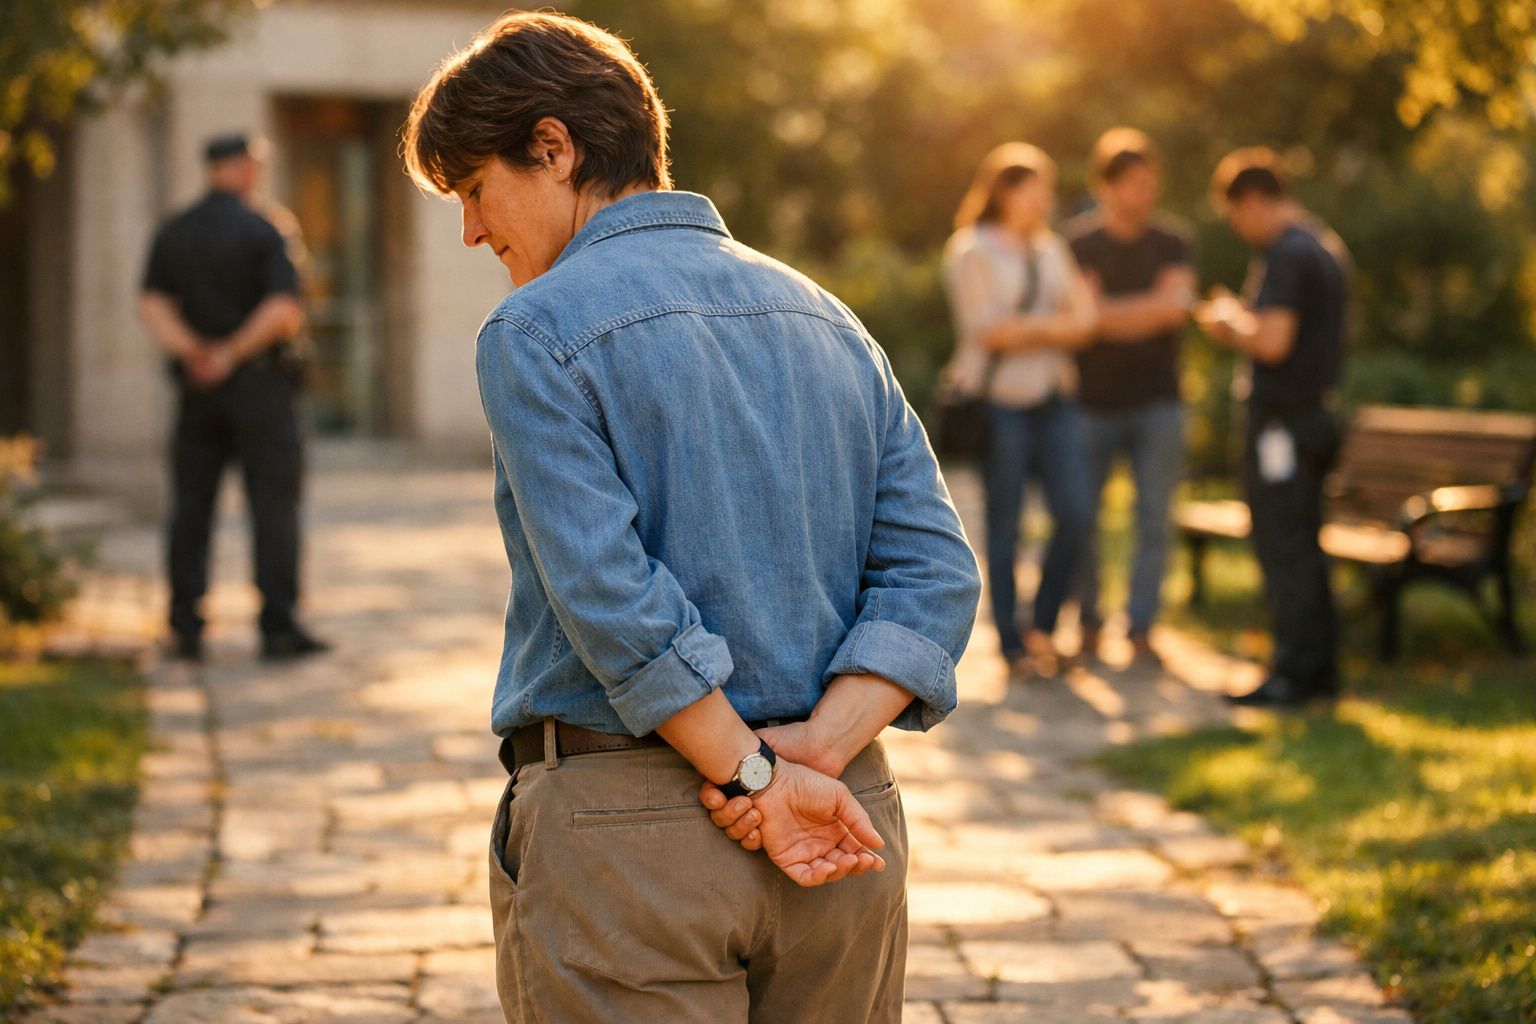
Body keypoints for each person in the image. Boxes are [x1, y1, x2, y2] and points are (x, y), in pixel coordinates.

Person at [401, 12, 982, 1022]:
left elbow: (611, 596)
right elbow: (936, 572)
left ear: (553, 147)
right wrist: (818, 754)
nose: (472, 231)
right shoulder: (828, 317)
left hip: (631, 843)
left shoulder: (533, 330)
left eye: (474, 190)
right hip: (843, 827)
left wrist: (760, 775)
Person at [139, 134, 329, 662]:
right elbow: (283, 310)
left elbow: (152, 305)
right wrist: (231, 353)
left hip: (197, 390)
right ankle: (278, 627)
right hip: (261, 388)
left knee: (191, 506)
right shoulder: (267, 228)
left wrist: (196, 352)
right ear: (244, 167)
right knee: (273, 506)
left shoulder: (175, 230)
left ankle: (185, 626)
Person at [1195, 147, 1350, 708]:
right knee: (1305, 546)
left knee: (1284, 547)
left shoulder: (1287, 254)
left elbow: (1273, 341)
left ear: (1254, 200)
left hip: (1284, 424)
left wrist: (1228, 323)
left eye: (1235, 214)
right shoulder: (1324, 245)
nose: (1238, 228)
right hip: (1314, 416)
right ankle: (1319, 672)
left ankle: (1292, 674)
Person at [941, 142, 1096, 679]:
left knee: (1076, 512)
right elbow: (987, 331)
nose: (1044, 202)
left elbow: (1086, 321)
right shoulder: (972, 249)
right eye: (1035, 191)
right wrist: (1056, 327)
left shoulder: (1051, 249)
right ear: (1005, 192)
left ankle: (1043, 626)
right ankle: (1012, 644)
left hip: (1054, 399)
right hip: (999, 404)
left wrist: (1031, 329)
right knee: (1006, 525)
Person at [1066, 127, 1196, 666]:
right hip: (1090, 403)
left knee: (1154, 520)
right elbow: (1085, 319)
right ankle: (1089, 622)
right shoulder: (1078, 243)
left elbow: (1175, 310)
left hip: (1159, 402)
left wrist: (1110, 315)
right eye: (1136, 183)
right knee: (1081, 518)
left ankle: (1141, 627)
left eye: (1151, 182)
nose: (1147, 192)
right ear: (1107, 185)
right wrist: (1148, 309)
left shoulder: (1174, 241)